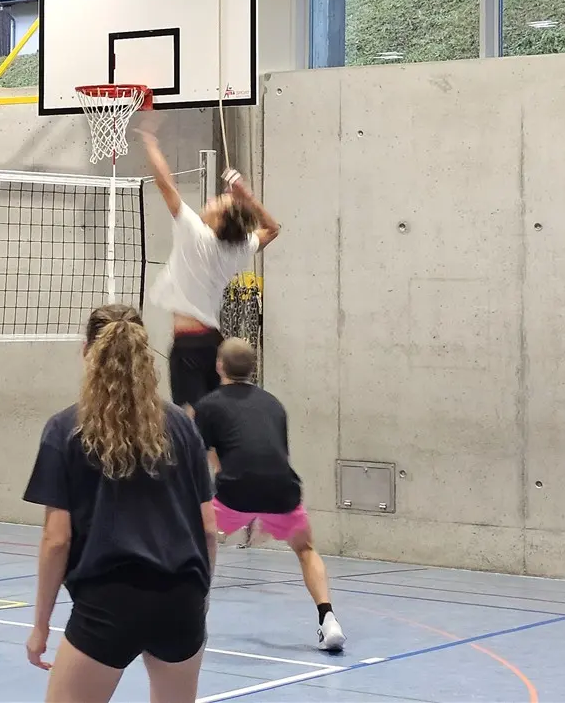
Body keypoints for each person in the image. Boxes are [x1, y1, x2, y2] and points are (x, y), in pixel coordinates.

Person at [23, 304, 216, 703]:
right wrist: (199, 600)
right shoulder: (181, 425)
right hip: (182, 597)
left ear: (86, 352)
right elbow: (208, 529)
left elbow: (57, 540)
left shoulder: (65, 429)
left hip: (109, 604)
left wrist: (40, 626)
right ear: (146, 355)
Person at [194, 339, 345, 653]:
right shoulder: (274, 404)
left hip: (235, 490)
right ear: (253, 368)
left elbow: (204, 456)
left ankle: (195, 615)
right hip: (282, 489)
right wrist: (263, 512)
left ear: (219, 366)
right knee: (305, 550)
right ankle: (328, 619)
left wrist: (238, 504)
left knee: (199, 538)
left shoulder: (208, 405)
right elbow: (274, 455)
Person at [139, 125, 280, 413]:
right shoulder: (239, 247)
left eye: (219, 202)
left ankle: (197, 460)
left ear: (220, 219)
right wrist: (247, 196)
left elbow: (166, 185)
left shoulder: (196, 235)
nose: (211, 201)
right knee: (213, 422)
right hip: (212, 341)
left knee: (192, 422)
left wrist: (150, 141)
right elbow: (273, 229)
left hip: (189, 346)